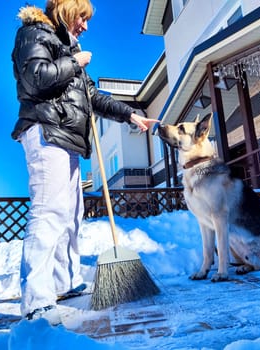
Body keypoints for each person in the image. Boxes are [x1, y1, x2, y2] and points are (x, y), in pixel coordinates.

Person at [11, 0, 159, 325]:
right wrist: (75, 62)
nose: (86, 26)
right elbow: (35, 78)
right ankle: (36, 299)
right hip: (45, 129)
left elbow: (92, 97)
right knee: (49, 211)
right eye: (82, 17)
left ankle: (65, 282)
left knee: (71, 214)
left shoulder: (68, 49)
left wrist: (130, 114)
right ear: (66, 9)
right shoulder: (34, 33)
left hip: (69, 139)